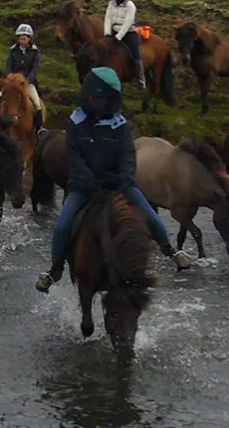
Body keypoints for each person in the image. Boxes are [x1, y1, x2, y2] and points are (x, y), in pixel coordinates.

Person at [36, 67, 194, 293]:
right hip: (84, 188)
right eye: (96, 98)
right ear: (89, 95)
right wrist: (90, 185)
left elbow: (128, 155)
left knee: (151, 215)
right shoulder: (75, 122)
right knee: (62, 225)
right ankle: (55, 269)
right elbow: (75, 159)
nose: (99, 103)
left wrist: (125, 181)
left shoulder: (119, 124)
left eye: (104, 99)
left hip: (119, 184)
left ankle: (170, 250)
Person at [103, 0, 145, 89]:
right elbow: (108, 18)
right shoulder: (111, 3)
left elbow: (128, 23)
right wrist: (107, 33)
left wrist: (119, 37)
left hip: (128, 33)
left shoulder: (130, 6)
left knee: (135, 53)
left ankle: (140, 78)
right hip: (113, 31)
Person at [3, 23, 44, 125]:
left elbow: (35, 68)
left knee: (37, 105)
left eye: (24, 38)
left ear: (29, 39)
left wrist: (28, 80)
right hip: (13, 82)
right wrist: (9, 76)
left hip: (27, 82)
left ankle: (39, 128)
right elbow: (8, 65)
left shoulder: (35, 52)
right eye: (20, 38)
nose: (22, 41)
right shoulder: (13, 51)